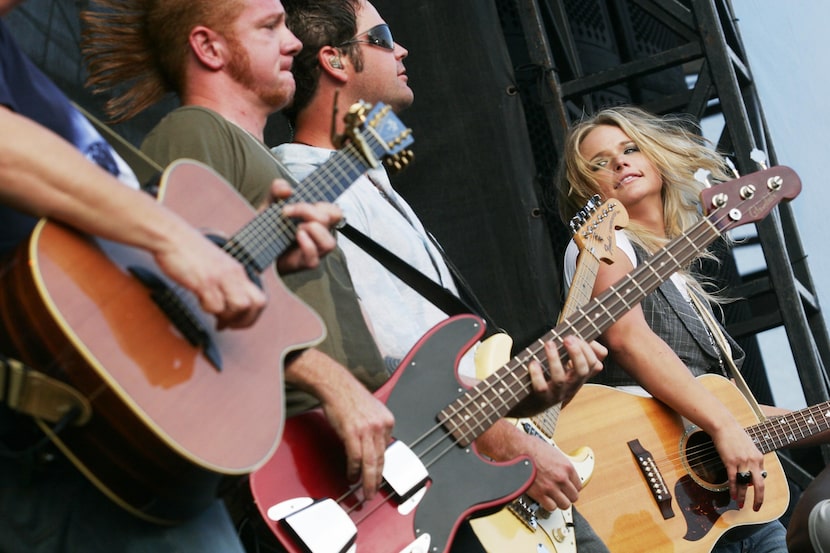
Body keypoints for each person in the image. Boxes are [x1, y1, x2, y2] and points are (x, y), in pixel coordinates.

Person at [0, 0, 342, 551]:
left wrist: (247, 256)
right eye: (270, 26)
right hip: (49, 442)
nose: (293, 41)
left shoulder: (21, 70)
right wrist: (173, 237)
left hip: (125, 432)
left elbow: (116, 259)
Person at [275, 0, 609, 551]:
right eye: (383, 37)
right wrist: (509, 442)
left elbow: (437, 360)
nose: (403, 49)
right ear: (335, 61)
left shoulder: (368, 182)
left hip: (470, 467)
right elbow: (391, 364)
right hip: (439, 483)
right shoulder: (310, 187)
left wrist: (538, 390)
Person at [555, 105, 830, 552]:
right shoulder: (602, 245)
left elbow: (740, 419)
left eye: (630, 149)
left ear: (656, 158)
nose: (620, 163)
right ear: (588, 189)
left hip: (737, 510)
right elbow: (628, 338)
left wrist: (819, 422)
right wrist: (723, 427)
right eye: (600, 163)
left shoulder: (682, 281)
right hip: (658, 513)